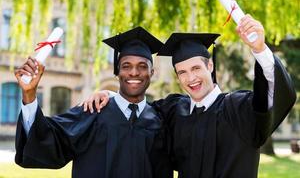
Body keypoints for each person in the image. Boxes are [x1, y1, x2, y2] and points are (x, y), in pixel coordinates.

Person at [81, 15, 296, 178]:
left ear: (210, 66)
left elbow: (273, 94)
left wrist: (259, 50)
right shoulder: (174, 110)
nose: (190, 78)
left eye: (196, 68)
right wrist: (110, 93)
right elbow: (138, 107)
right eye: (182, 72)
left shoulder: (239, 108)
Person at [14, 27, 173, 178]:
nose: (134, 72)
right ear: (117, 72)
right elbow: (48, 139)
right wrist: (29, 94)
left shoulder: (161, 120)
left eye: (142, 66)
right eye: (126, 66)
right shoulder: (91, 112)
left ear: (152, 72)